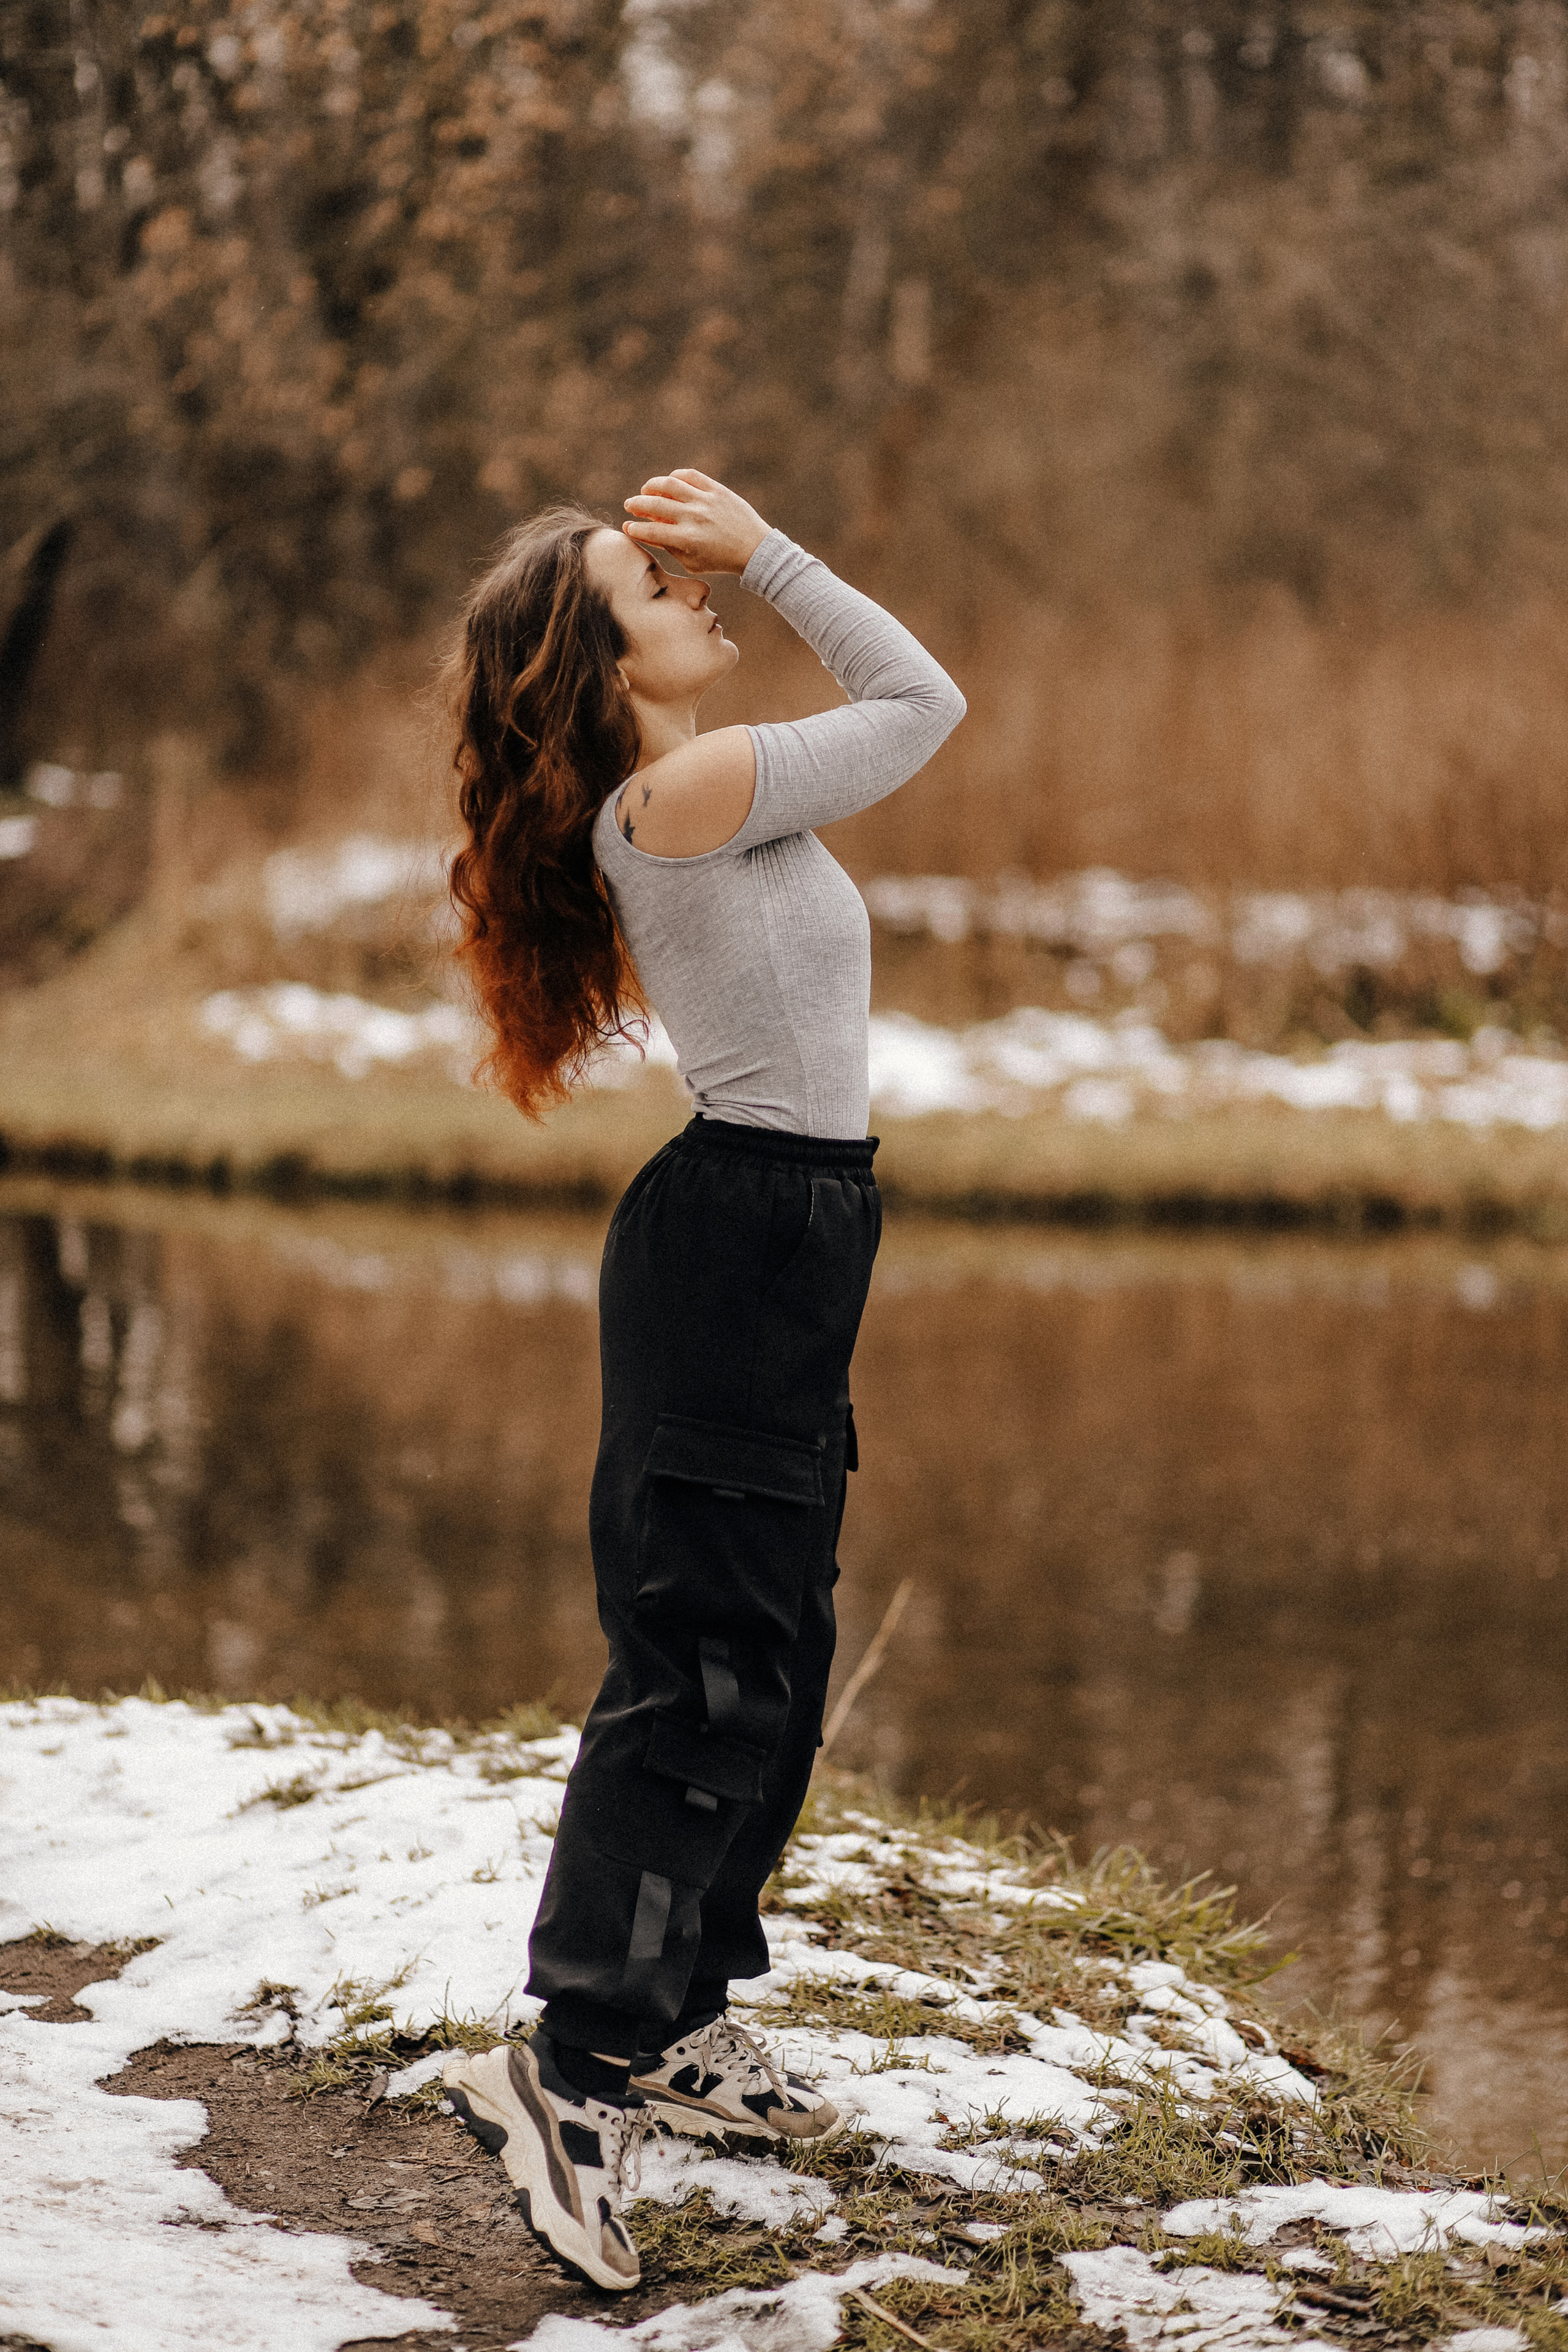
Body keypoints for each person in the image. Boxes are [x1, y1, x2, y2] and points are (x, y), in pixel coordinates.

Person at [439, 470, 965, 2290]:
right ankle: (572, 2059)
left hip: (792, 1223)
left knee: (778, 1640)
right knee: (708, 1655)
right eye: (644, 584)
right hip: (744, 1234)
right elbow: (923, 708)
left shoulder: (694, 782)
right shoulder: (680, 787)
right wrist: (779, 555)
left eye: (678, 567)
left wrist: (738, 565)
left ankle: (671, 2019)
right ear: (601, 664)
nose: (686, 587)